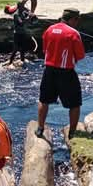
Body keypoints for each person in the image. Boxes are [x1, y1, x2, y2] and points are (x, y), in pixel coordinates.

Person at [36, 8, 85, 139]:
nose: (78, 23)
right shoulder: (74, 33)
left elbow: (45, 49)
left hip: (49, 70)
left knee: (44, 100)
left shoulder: (49, 30)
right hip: (66, 72)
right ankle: (72, 133)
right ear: (73, 19)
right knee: (75, 103)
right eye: (77, 20)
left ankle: (40, 128)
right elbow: (80, 55)